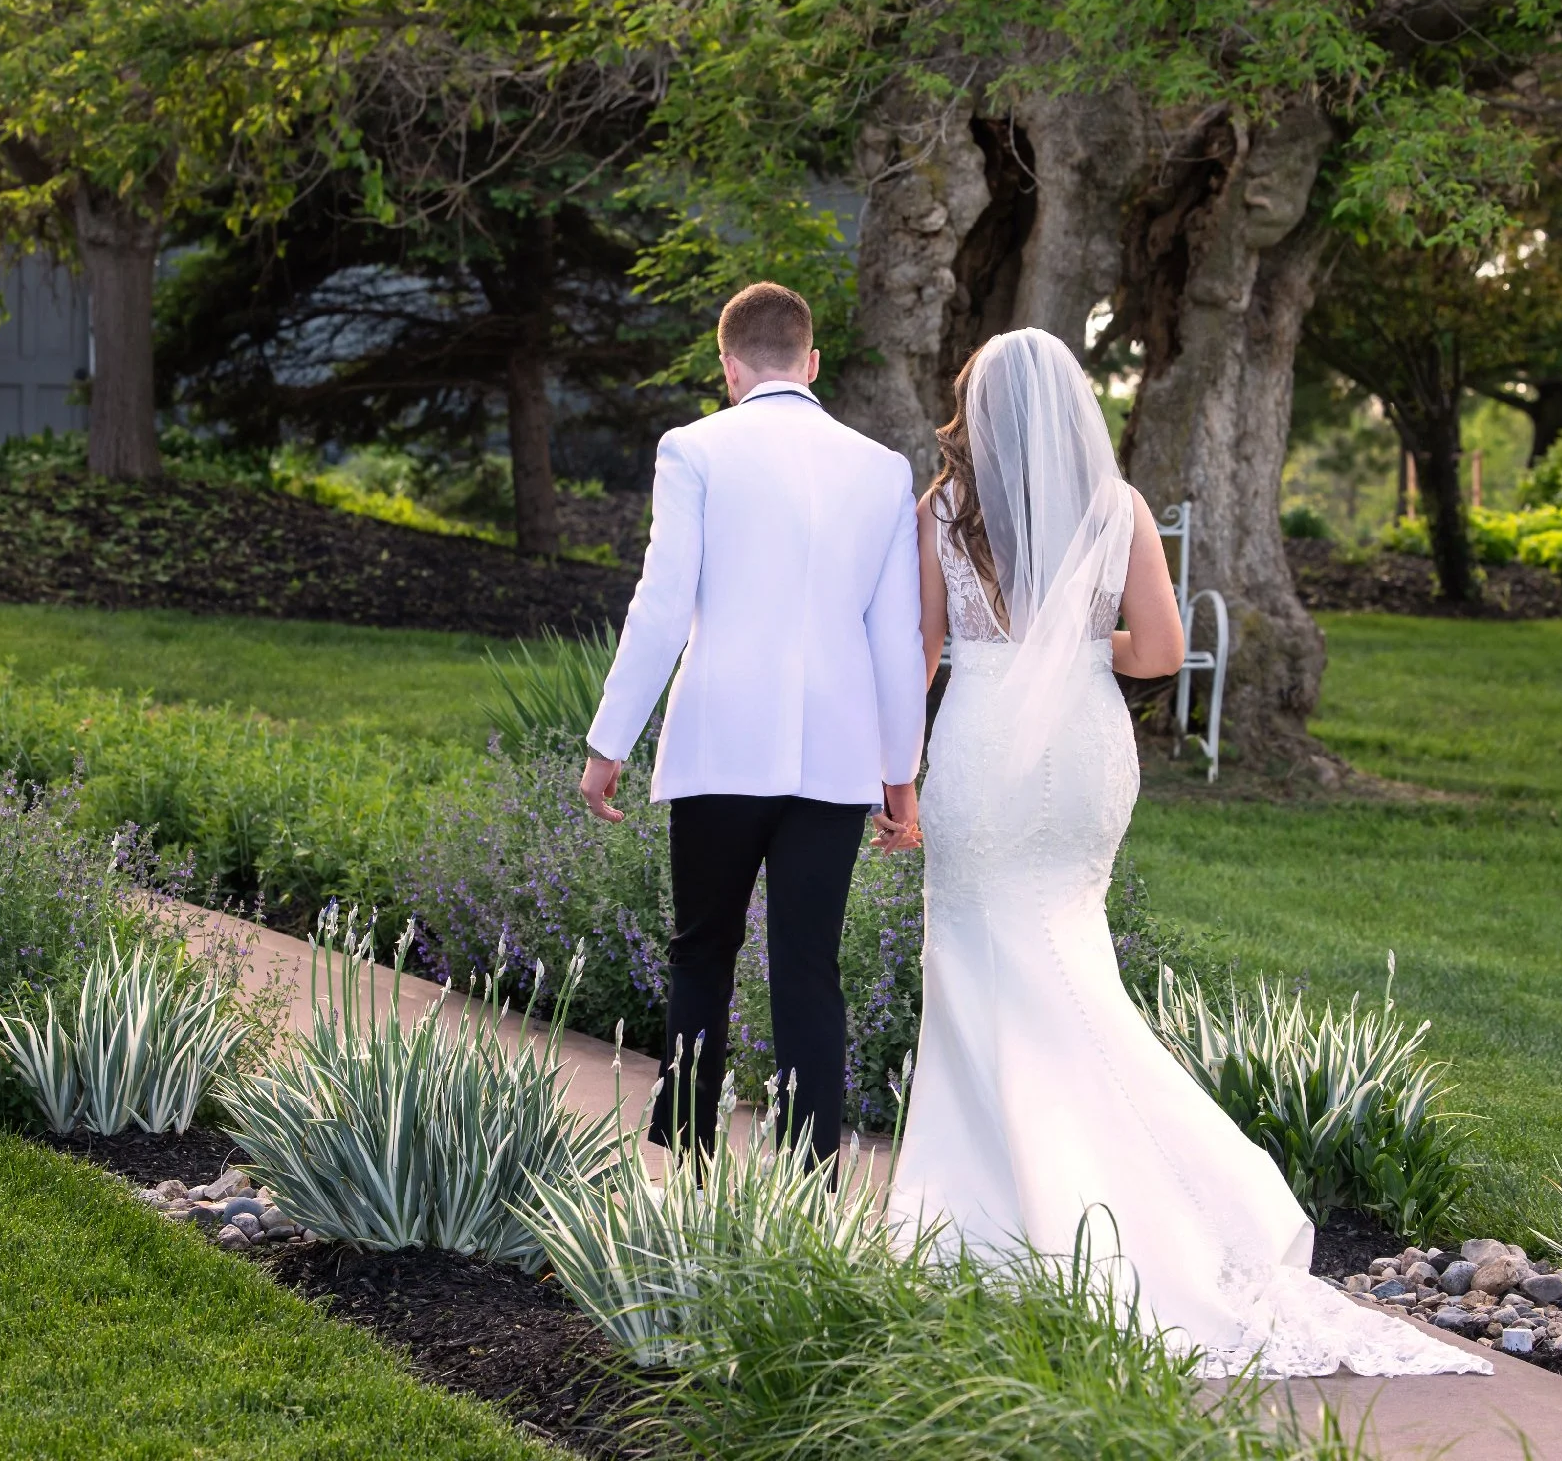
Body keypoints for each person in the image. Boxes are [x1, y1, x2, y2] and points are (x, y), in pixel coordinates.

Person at [889, 327, 1489, 1378]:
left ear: (979, 412)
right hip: (1080, 748)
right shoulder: (1113, 510)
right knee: (1067, 960)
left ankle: (992, 1223)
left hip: (982, 749)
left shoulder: (940, 511)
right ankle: (1092, 1200)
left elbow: (921, 650)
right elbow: (1162, 654)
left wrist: (897, 778)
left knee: (982, 966)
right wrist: (1082, 645)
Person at [580, 281, 926, 1164]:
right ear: (812, 363)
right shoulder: (883, 468)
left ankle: (689, 1160)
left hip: (720, 746)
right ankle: (810, 1179)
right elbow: (896, 636)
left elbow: (662, 604)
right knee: (809, 966)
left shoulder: (694, 448)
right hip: (836, 755)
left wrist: (609, 741)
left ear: (728, 366)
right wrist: (900, 774)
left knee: (702, 951)